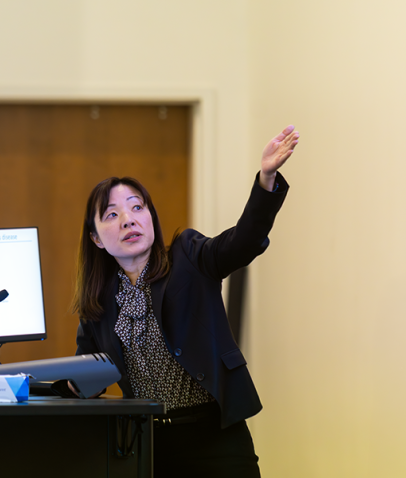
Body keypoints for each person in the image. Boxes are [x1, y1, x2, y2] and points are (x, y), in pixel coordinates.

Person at [71, 125, 299, 476]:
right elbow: (88, 375)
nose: (128, 219)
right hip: (146, 442)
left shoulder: (188, 256)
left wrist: (266, 179)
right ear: (97, 238)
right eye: (112, 215)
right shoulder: (99, 302)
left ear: (150, 217)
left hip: (215, 435)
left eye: (136, 207)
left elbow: (244, 241)